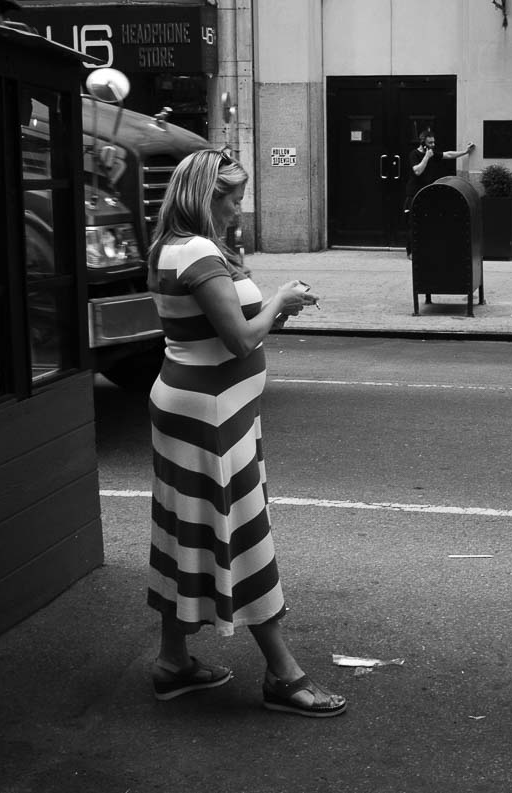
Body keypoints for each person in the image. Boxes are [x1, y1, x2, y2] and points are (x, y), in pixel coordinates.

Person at [145, 149, 346, 717]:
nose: (238, 208)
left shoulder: (174, 247)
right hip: (209, 412)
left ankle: (172, 662)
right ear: (202, 195)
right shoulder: (198, 250)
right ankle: (284, 675)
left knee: (187, 532)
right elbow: (238, 339)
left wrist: (274, 313)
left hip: (204, 406)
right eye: (231, 197)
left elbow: (225, 330)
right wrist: (279, 299)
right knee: (243, 535)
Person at [404, 129, 475, 255]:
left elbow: (447, 155)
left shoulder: (432, 153)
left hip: (427, 191)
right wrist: (426, 157)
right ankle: (411, 252)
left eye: (433, 142)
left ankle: (425, 249)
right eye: (430, 143)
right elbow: (417, 171)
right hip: (414, 193)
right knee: (413, 223)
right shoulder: (414, 154)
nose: (433, 145)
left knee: (428, 221)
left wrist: (465, 152)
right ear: (423, 143)